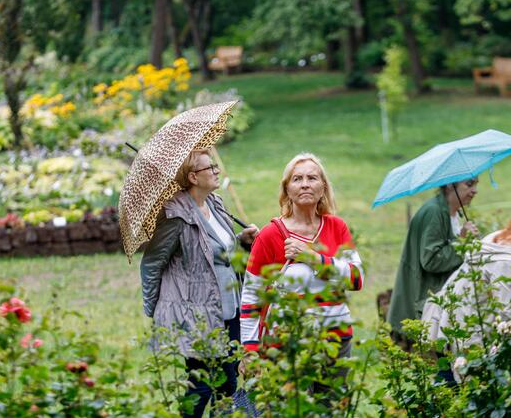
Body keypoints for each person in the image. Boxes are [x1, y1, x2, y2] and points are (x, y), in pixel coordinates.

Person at [140, 149, 258, 418]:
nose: (216, 171)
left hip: (229, 309)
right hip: (195, 315)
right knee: (202, 386)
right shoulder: (175, 217)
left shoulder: (214, 204)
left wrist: (241, 240)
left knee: (228, 383)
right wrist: (155, 309)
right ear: (193, 177)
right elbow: (151, 264)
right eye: (210, 168)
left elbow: (218, 251)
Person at [239, 153, 364, 375]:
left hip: (336, 340)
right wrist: (249, 350)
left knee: (332, 408)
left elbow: (356, 279)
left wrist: (312, 258)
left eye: (312, 178)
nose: (305, 184)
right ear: (287, 189)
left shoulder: (337, 227)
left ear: (323, 187)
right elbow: (251, 297)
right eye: (297, 179)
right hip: (288, 344)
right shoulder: (270, 235)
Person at [421, 203, 511, 381]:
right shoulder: (505, 260)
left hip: (454, 319)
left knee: (447, 378)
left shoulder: (499, 238)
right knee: (459, 385)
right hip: (469, 328)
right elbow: (508, 312)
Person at [386, 179, 479, 345]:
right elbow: (431, 260)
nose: (475, 191)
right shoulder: (433, 212)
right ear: (450, 185)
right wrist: (462, 242)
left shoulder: (454, 213)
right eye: (469, 185)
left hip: (437, 307)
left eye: (476, 185)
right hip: (421, 309)